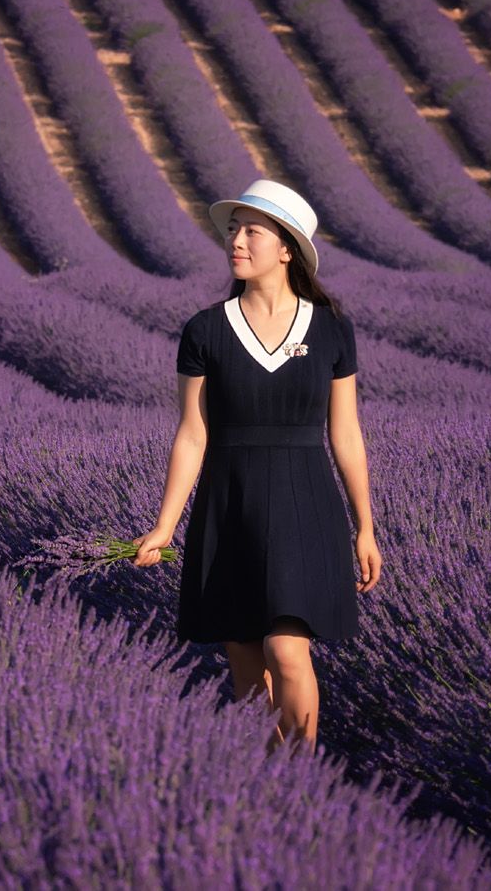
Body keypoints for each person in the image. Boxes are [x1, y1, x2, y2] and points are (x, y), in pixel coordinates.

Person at [131, 179, 381, 755]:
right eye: (233, 231)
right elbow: (193, 434)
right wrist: (165, 526)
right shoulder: (206, 330)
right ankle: (271, 782)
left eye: (252, 232)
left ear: (287, 248)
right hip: (229, 500)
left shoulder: (330, 329)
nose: (236, 242)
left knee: (287, 652)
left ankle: (303, 773)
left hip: (304, 500)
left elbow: (345, 433)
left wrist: (366, 525)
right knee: (245, 666)